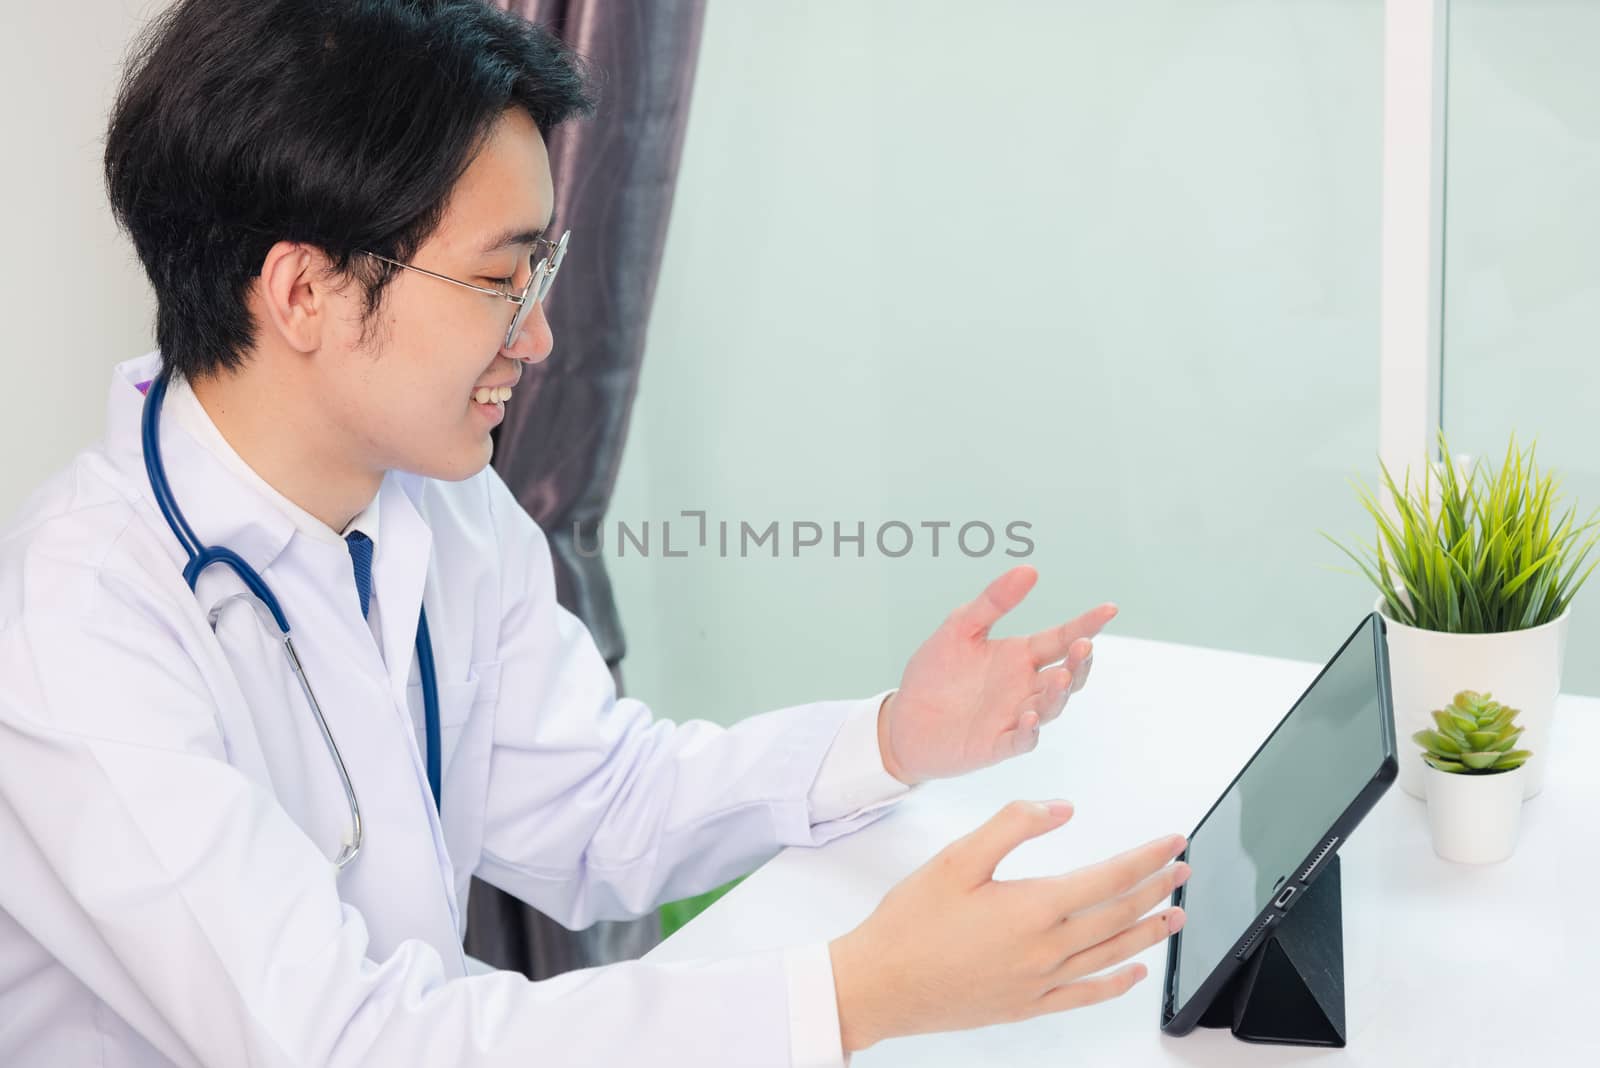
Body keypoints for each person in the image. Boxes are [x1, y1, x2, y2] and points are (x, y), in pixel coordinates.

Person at [0, 1, 1188, 1064]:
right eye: (501, 278)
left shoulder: (438, 501)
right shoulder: (80, 624)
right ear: (304, 292)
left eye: (545, 264)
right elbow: (343, 1041)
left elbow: (597, 804)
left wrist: (889, 738)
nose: (540, 339)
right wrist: (851, 995)